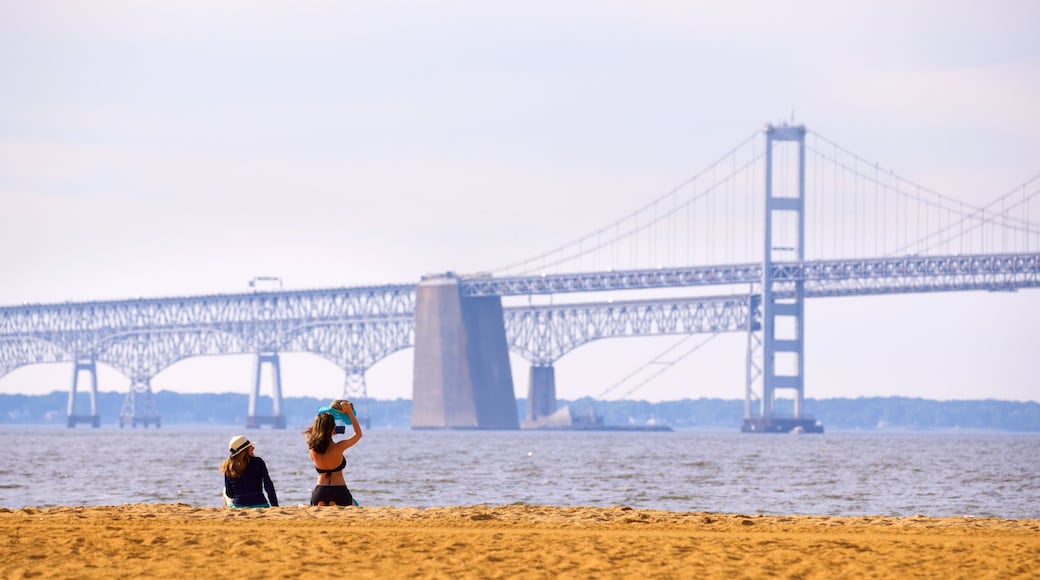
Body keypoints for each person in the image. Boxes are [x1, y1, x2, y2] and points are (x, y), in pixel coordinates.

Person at [304, 399, 363, 506]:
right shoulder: (338, 447)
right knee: (355, 505)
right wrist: (349, 412)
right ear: (332, 429)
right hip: (339, 491)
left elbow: (316, 429)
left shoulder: (311, 448)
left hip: (319, 493)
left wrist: (326, 415)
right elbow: (358, 434)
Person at [221, 435, 278, 508]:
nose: (253, 448)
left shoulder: (228, 466)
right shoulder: (258, 462)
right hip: (261, 504)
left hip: (239, 506)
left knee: (224, 490)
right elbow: (268, 485)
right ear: (244, 450)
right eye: (250, 446)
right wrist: (275, 506)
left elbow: (230, 494)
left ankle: (230, 512)